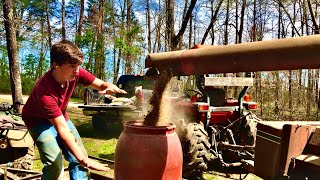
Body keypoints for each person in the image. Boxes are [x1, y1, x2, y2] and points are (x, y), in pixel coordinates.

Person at [22, 39, 127, 180]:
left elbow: (100, 84)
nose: (77, 70)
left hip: (60, 116)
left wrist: (108, 86)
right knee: (54, 163)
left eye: (78, 65)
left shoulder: (76, 72)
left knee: (79, 158)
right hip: (38, 122)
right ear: (56, 65)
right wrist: (84, 159)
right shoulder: (44, 91)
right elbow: (63, 130)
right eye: (72, 66)